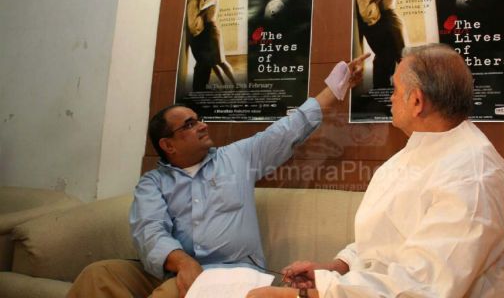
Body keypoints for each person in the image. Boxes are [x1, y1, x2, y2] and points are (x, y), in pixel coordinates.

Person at [66, 54, 370, 298]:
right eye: (188, 125)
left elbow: (289, 129)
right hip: (172, 270)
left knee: (174, 291)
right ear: (167, 145)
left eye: (198, 120)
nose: (202, 126)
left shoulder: (236, 157)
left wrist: (336, 87)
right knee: (99, 275)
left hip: (228, 274)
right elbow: (149, 231)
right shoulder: (153, 184)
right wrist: (183, 262)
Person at [247, 44, 504, 298]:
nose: (391, 98)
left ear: (417, 101)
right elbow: (383, 243)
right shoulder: (414, 152)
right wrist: (336, 267)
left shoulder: (473, 177)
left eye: (395, 90)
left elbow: (422, 287)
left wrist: (308, 295)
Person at [200, 0, 236, 86]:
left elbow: (201, 6)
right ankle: (224, 84)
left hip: (212, 29)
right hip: (206, 30)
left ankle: (235, 85)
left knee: (221, 60)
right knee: (212, 63)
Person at [186, 0, 217, 91]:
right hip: (197, 37)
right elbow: (191, 24)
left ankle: (202, 88)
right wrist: (198, 33)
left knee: (206, 64)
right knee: (202, 64)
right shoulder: (194, 1)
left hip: (200, 36)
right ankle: (198, 89)